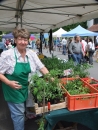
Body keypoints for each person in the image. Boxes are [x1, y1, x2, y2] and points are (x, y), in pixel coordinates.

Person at [0, 28, 49, 130]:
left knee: (23, 111)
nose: (23, 42)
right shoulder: (7, 55)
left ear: (28, 41)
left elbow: (42, 67)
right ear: (15, 40)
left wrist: (52, 79)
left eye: (25, 40)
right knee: (18, 115)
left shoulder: (31, 54)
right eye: (20, 39)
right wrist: (9, 83)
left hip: (25, 87)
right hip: (13, 89)